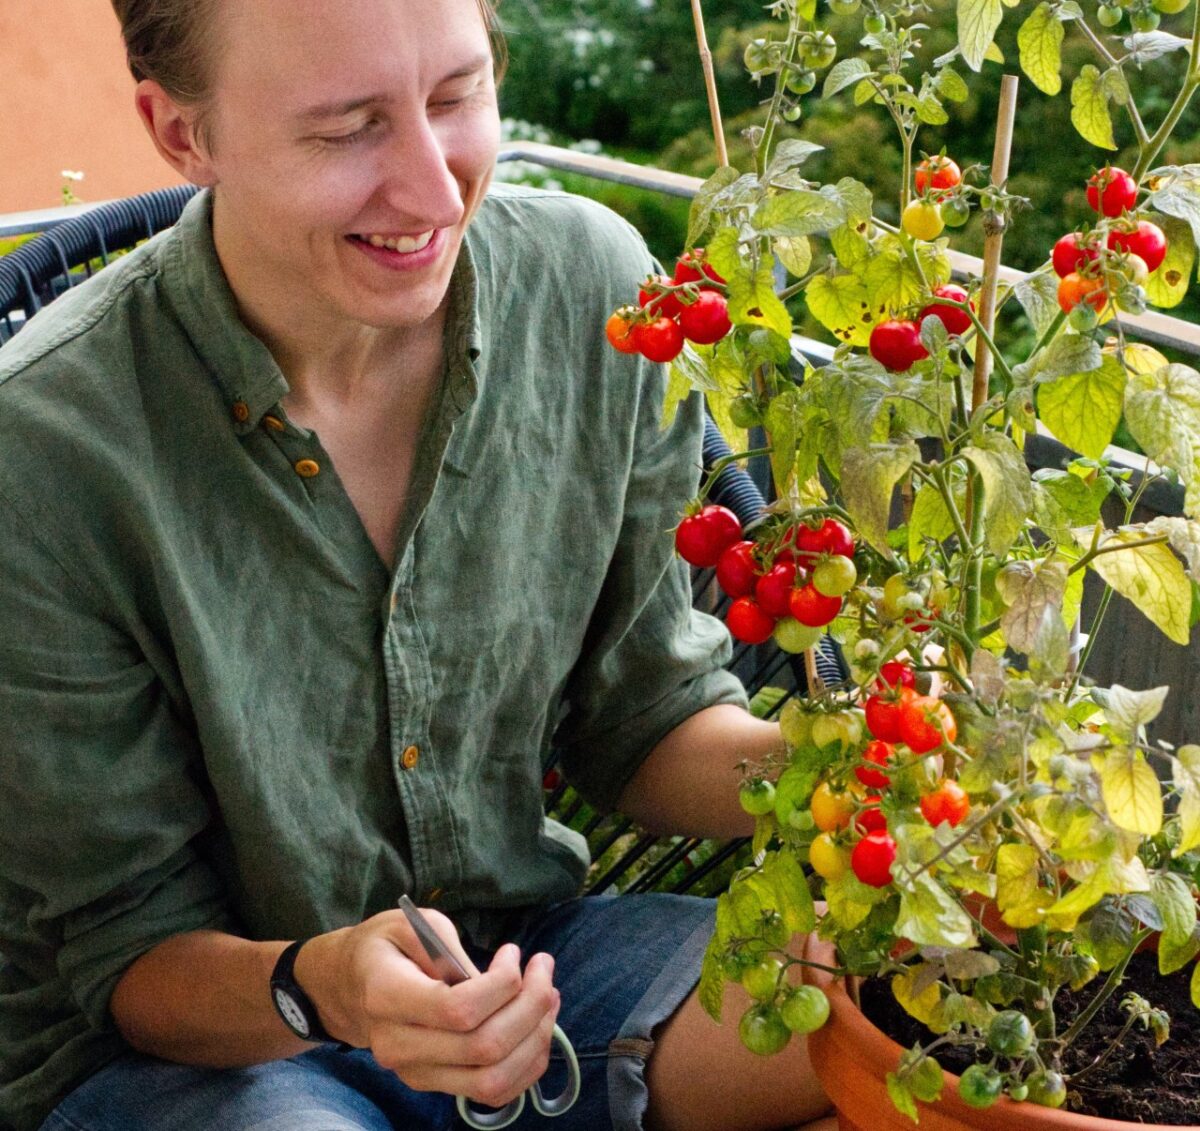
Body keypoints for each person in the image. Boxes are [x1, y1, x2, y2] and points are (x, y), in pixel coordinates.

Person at [0, 1, 835, 1129]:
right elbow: (129, 957)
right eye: (347, 130)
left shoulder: (595, 291)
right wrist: (329, 987)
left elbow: (645, 722)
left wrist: (844, 773)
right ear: (180, 134)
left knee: (891, 1018)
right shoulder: (47, 449)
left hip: (533, 978)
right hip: (209, 1053)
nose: (439, 195)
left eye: (455, 97)